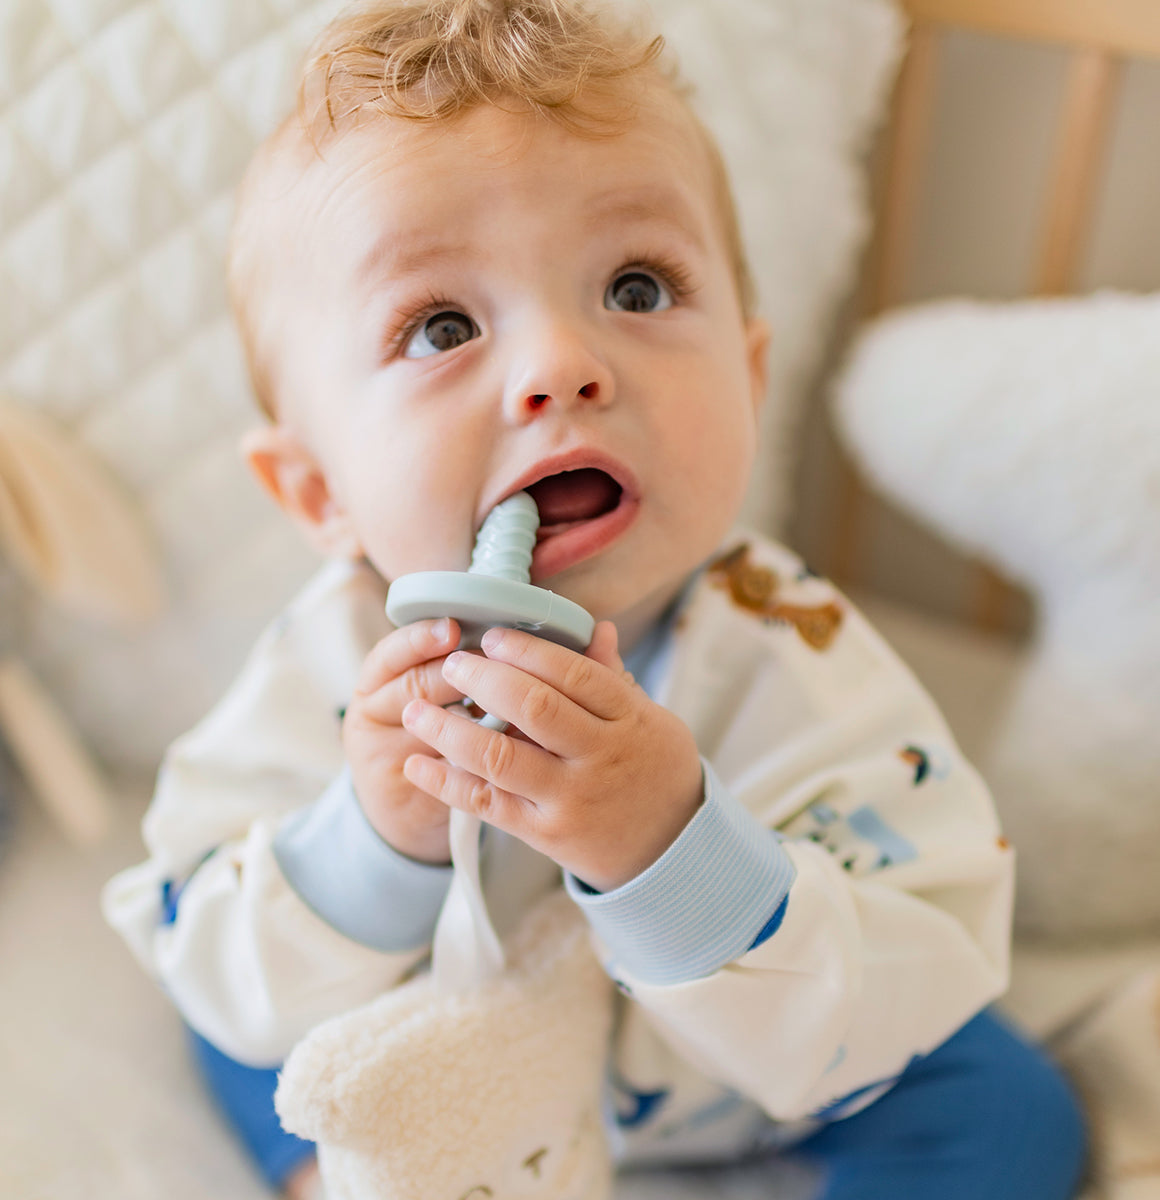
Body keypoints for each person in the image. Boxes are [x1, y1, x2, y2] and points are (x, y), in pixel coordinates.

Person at [103, 2, 1087, 1198]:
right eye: (444, 325)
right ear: (319, 491)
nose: (561, 365)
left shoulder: (797, 651)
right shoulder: (332, 660)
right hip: (442, 1044)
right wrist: (372, 843)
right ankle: (324, 1165)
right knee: (223, 996)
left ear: (749, 373)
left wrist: (669, 849)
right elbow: (205, 933)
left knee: (1010, 1107)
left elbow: (919, 942)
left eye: (635, 285)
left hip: (727, 1089)